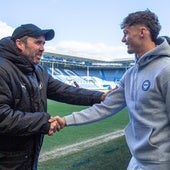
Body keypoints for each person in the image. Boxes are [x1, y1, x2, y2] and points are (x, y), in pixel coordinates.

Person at [55, 10, 170, 170]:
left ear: (142, 32)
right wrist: (66, 120)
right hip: (137, 160)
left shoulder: (166, 69)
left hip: (161, 164)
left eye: (126, 33)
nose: (123, 39)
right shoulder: (130, 74)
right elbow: (105, 107)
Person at [0, 24, 106, 170]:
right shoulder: (3, 69)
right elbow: (2, 117)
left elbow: (64, 91)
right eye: (38, 42)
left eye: (43, 43)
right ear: (20, 44)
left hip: (28, 157)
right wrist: (44, 122)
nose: (42, 48)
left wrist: (100, 96)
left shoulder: (38, 71)